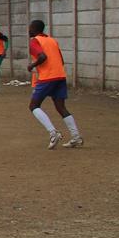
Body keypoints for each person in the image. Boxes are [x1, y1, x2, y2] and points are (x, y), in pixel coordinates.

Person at [26, 19, 83, 149]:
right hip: (60, 76)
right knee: (60, 107)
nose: (28, 30)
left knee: (34, 106)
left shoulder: (34, 41)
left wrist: (32, 65)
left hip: (48, 78)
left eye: (30, 28)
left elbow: (42, 57)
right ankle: (76, 137)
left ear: (35, 29)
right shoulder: (52, 40)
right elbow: (61, 60)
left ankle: (53, 133)